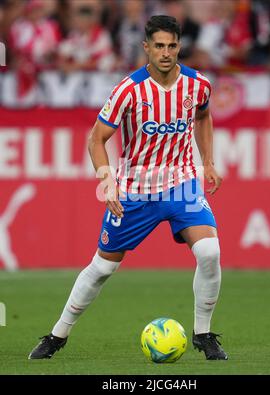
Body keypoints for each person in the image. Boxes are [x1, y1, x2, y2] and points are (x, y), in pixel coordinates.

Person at [28, 15, 228, 361]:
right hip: (136, 190)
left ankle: (204, 334)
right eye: (159, 46)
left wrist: (207, 161)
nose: (166, 53)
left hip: (181, 186)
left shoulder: (198, 85)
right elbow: (97, 139)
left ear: (179, 46)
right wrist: (108, 184)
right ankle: (57, 335)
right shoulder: (128, 90)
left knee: (209, 252)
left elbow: (203, 116)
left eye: (172, 46)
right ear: (146, 47)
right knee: (103, 268)